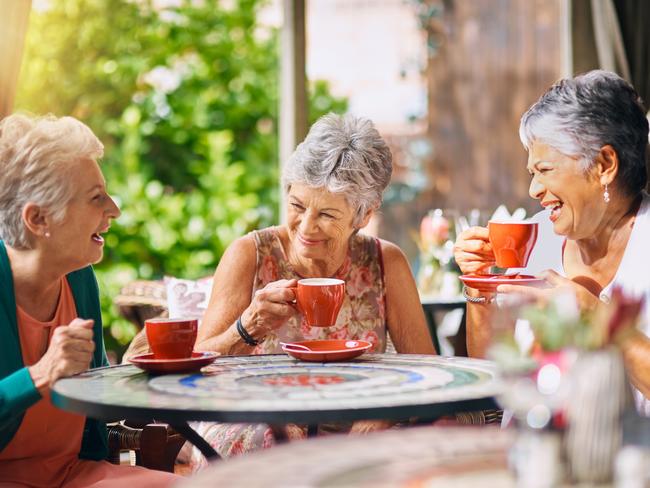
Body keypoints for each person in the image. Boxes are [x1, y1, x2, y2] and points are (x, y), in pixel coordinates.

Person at [180, 113, 434, 465]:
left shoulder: (385, 262)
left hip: (356, 425)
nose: (307, 227)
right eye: (297, 206)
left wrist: (381, 415)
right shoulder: (250, 254)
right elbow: (192, 368)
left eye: (327, 215)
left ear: (363, 215)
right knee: (281, 442)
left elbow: (428, 371)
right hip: (251, 420)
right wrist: (248, 326)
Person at [453, 70, 650, 414]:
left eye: (545, 170)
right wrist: (480, 287)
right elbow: (494, 370)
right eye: (533, 173)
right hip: (534, 449)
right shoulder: (533, 239)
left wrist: (593, 314)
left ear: (604, 164)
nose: (534, 190)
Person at [0, 114, 179, 486]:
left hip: (72, 475)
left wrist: (145, 369)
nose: (114, 208)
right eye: (97, 198)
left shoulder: (79, 279)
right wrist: (41, 373)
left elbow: (95, 391)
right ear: (38, 218)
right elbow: (48, 374)